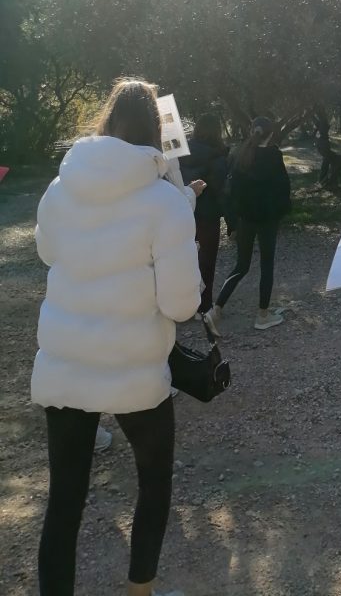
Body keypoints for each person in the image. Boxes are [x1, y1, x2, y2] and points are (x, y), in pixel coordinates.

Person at [31, 78, 204, 596]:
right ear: (156, 131)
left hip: (66, 363)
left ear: (106, 122)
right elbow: (181, 305)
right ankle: (139, 589)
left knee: (64, 500)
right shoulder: (165, 202)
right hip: (136, 369)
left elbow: (47, 253)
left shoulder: (60, 187)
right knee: (153, 482)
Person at [205, 116, 291, 334]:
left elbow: (231, 189)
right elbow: (283, 187)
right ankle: (263, 314)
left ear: (252, 130)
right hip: (268, 219)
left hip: (245, 219)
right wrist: (281, 211)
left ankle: (216, 309)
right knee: (266, 265)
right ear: (271, 134)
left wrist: (234, 219)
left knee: (241, 265)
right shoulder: (274, 156)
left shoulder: (240, 153)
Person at [180, 113, 229, 316]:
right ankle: (203, 304)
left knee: (185, 259)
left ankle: (183, 303)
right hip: (208, 217)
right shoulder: (218, 158)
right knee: (206, 261)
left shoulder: (180, 154)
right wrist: (230, 219)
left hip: (183, 212)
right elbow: (221, 192)